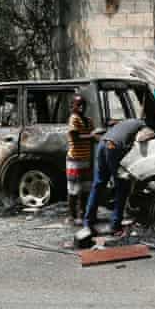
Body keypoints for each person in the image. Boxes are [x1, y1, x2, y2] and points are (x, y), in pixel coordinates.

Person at [82, 118, 154, 236]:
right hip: (113, 147)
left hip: (103, 143)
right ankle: (115, 225)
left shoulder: (127, 122)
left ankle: (88, 221)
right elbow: (141, 138)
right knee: (122, 186)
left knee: (98, 184)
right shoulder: (142, 124)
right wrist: (153, 134)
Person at [66, 96, 94, 226]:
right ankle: (72, 216)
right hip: (75, 160)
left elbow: (92, 139)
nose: (81, 107)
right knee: (74, 189)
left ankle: (82, 214)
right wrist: (93, 136)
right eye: (78, 105)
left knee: (85, 189)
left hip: (86, 159)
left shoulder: (89, 120)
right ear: (73, 106)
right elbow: (75, 137)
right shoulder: (73, 119)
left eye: (83, 104)